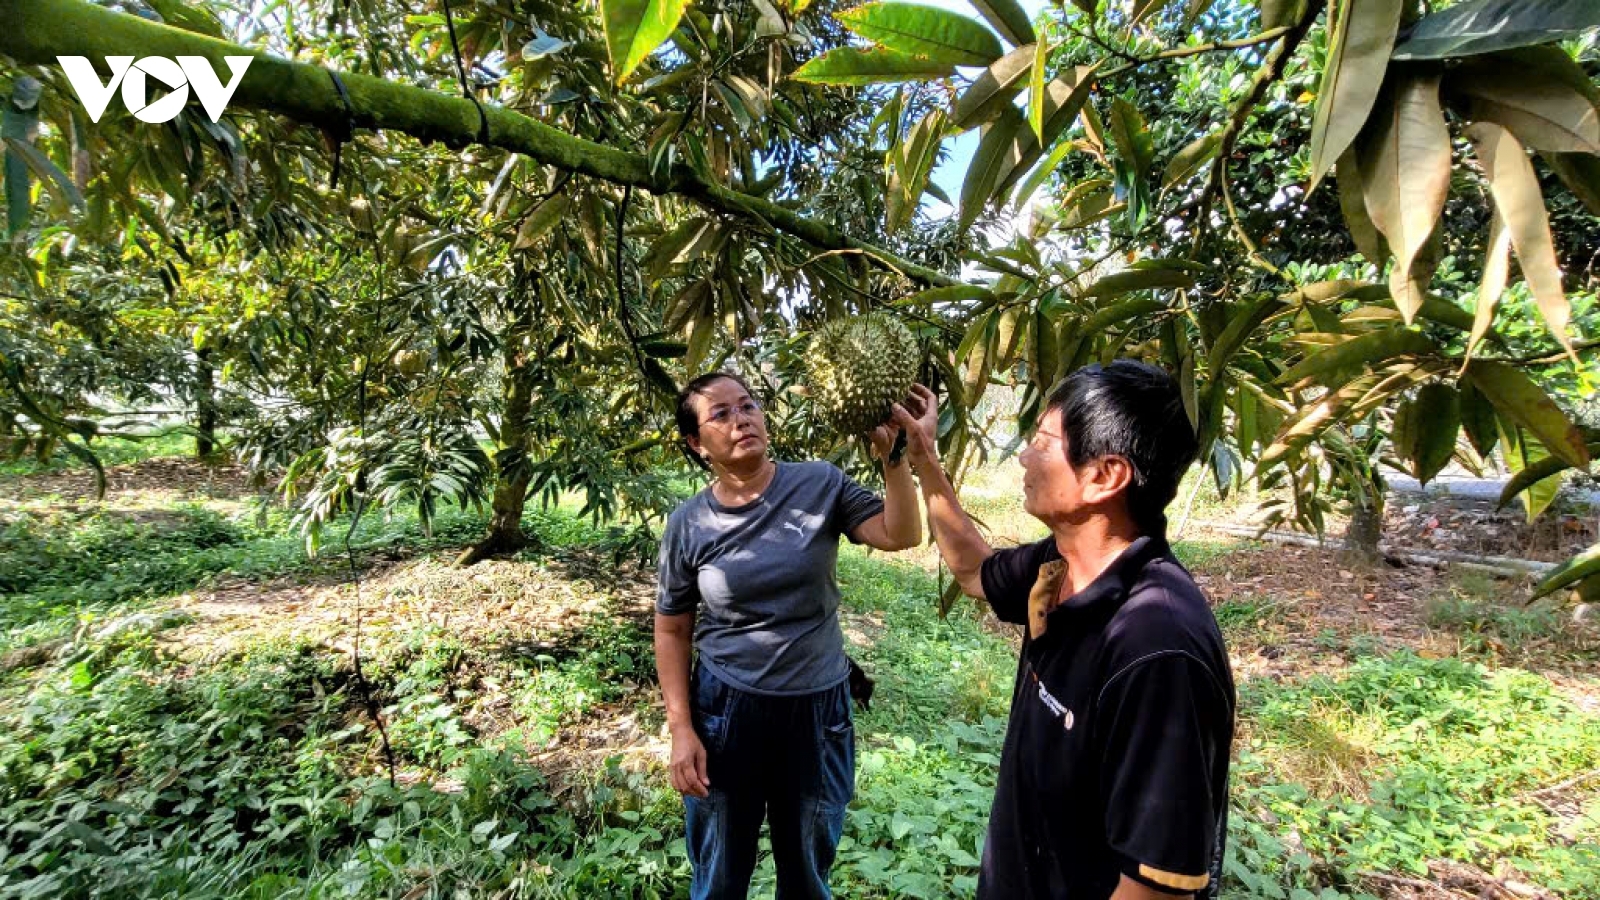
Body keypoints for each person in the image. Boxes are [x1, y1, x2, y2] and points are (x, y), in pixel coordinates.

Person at [891, 361, 1235, 899]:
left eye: (1042, 442)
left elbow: (1156, 888)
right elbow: (974, 571)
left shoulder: (1156, 647)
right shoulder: (1060, 564)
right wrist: (925, 459)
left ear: (1105, 476)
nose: (1024, 456)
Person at [655, 371, 922, 899]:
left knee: (806, 869)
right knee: (720, 873)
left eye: (748, 405)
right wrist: (681, 728)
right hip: (726, 710)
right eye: (721, 414)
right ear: (696, 443)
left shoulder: (819, 483)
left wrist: (896, 458)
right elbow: (672, 627)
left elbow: (901, 534)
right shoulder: (689, 524)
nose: (742, 419)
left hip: (817, 709)